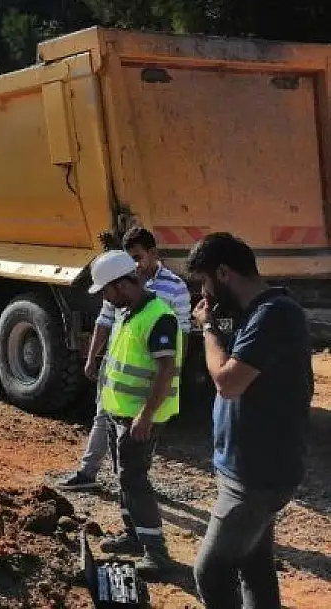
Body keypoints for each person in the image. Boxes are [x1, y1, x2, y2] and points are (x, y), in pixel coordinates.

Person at [187, 233, 313, 608]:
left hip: (257, 475)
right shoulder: (254, 312)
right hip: (248, 467)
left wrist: (207, 328)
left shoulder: (274, 314)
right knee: (254, 566)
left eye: (206, 282)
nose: (204, 295)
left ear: (224, 272)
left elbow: (227, 382)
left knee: (210, 572)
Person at [60, 226, 191, 491]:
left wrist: (174, 374)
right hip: (117, 374)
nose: (135, 264)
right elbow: (105, 321)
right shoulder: (119, 284)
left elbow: (183, 335)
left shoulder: (175, 288)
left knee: (140, 439)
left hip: (148, 380)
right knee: (102, 418)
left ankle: (135, 487)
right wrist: (92, 357)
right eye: (130, 258)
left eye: (138, 257)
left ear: (153, 253)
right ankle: (90, 473)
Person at [87, 250, 181, 576]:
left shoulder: (159, 316)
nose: (104, 298)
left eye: (106, 291)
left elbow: (166, 369)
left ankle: (157, 553)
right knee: (124, 477)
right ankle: (133, 537)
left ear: (122, 285)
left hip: (139, 417)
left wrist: (145, 415)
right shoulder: (129, 311)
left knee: (134, 479)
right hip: (119, 413)